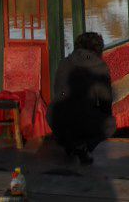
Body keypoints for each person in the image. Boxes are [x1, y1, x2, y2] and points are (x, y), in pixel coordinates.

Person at [47, 32, 115, 164]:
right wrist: (104, 117)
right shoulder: (100, 67)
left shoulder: (64, 62)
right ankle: (83, 147)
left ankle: (70, 145)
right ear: (98, 49)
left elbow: (57, 91)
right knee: (109, 124)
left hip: (55, 116)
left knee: (70, 115)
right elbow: (105, 100)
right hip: (82, 118)